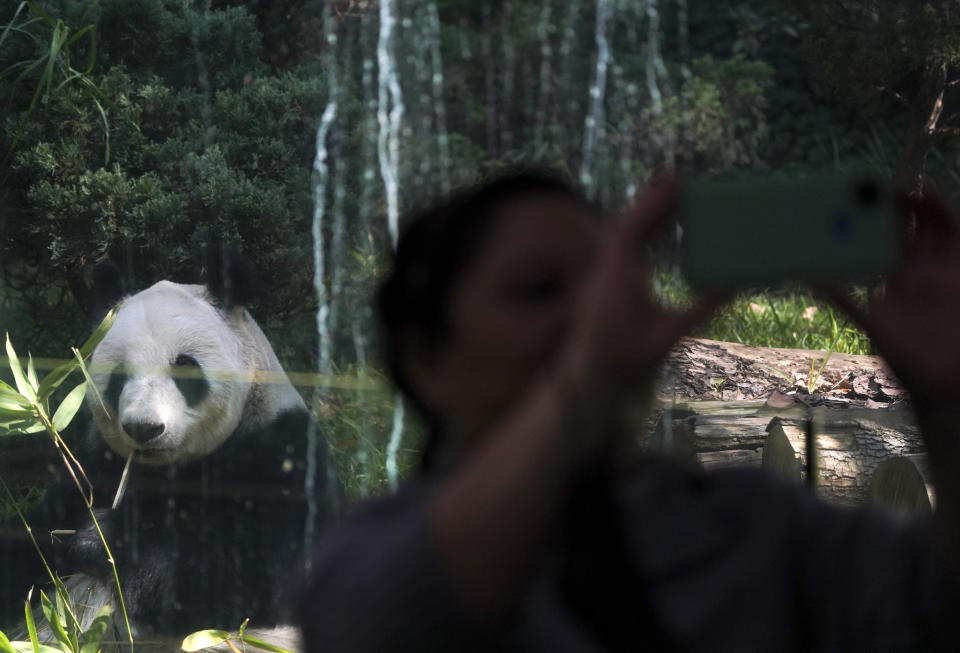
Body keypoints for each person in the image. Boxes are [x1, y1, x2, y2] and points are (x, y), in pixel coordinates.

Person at [299, 171, 960, 651]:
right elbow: (389, 615)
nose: (599, 319)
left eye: (612, 283)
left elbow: (934, 608)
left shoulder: (761, 526)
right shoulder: (368, 555)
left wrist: (947, 399)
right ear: (426, 358)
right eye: (540, 289)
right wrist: (583, 380)